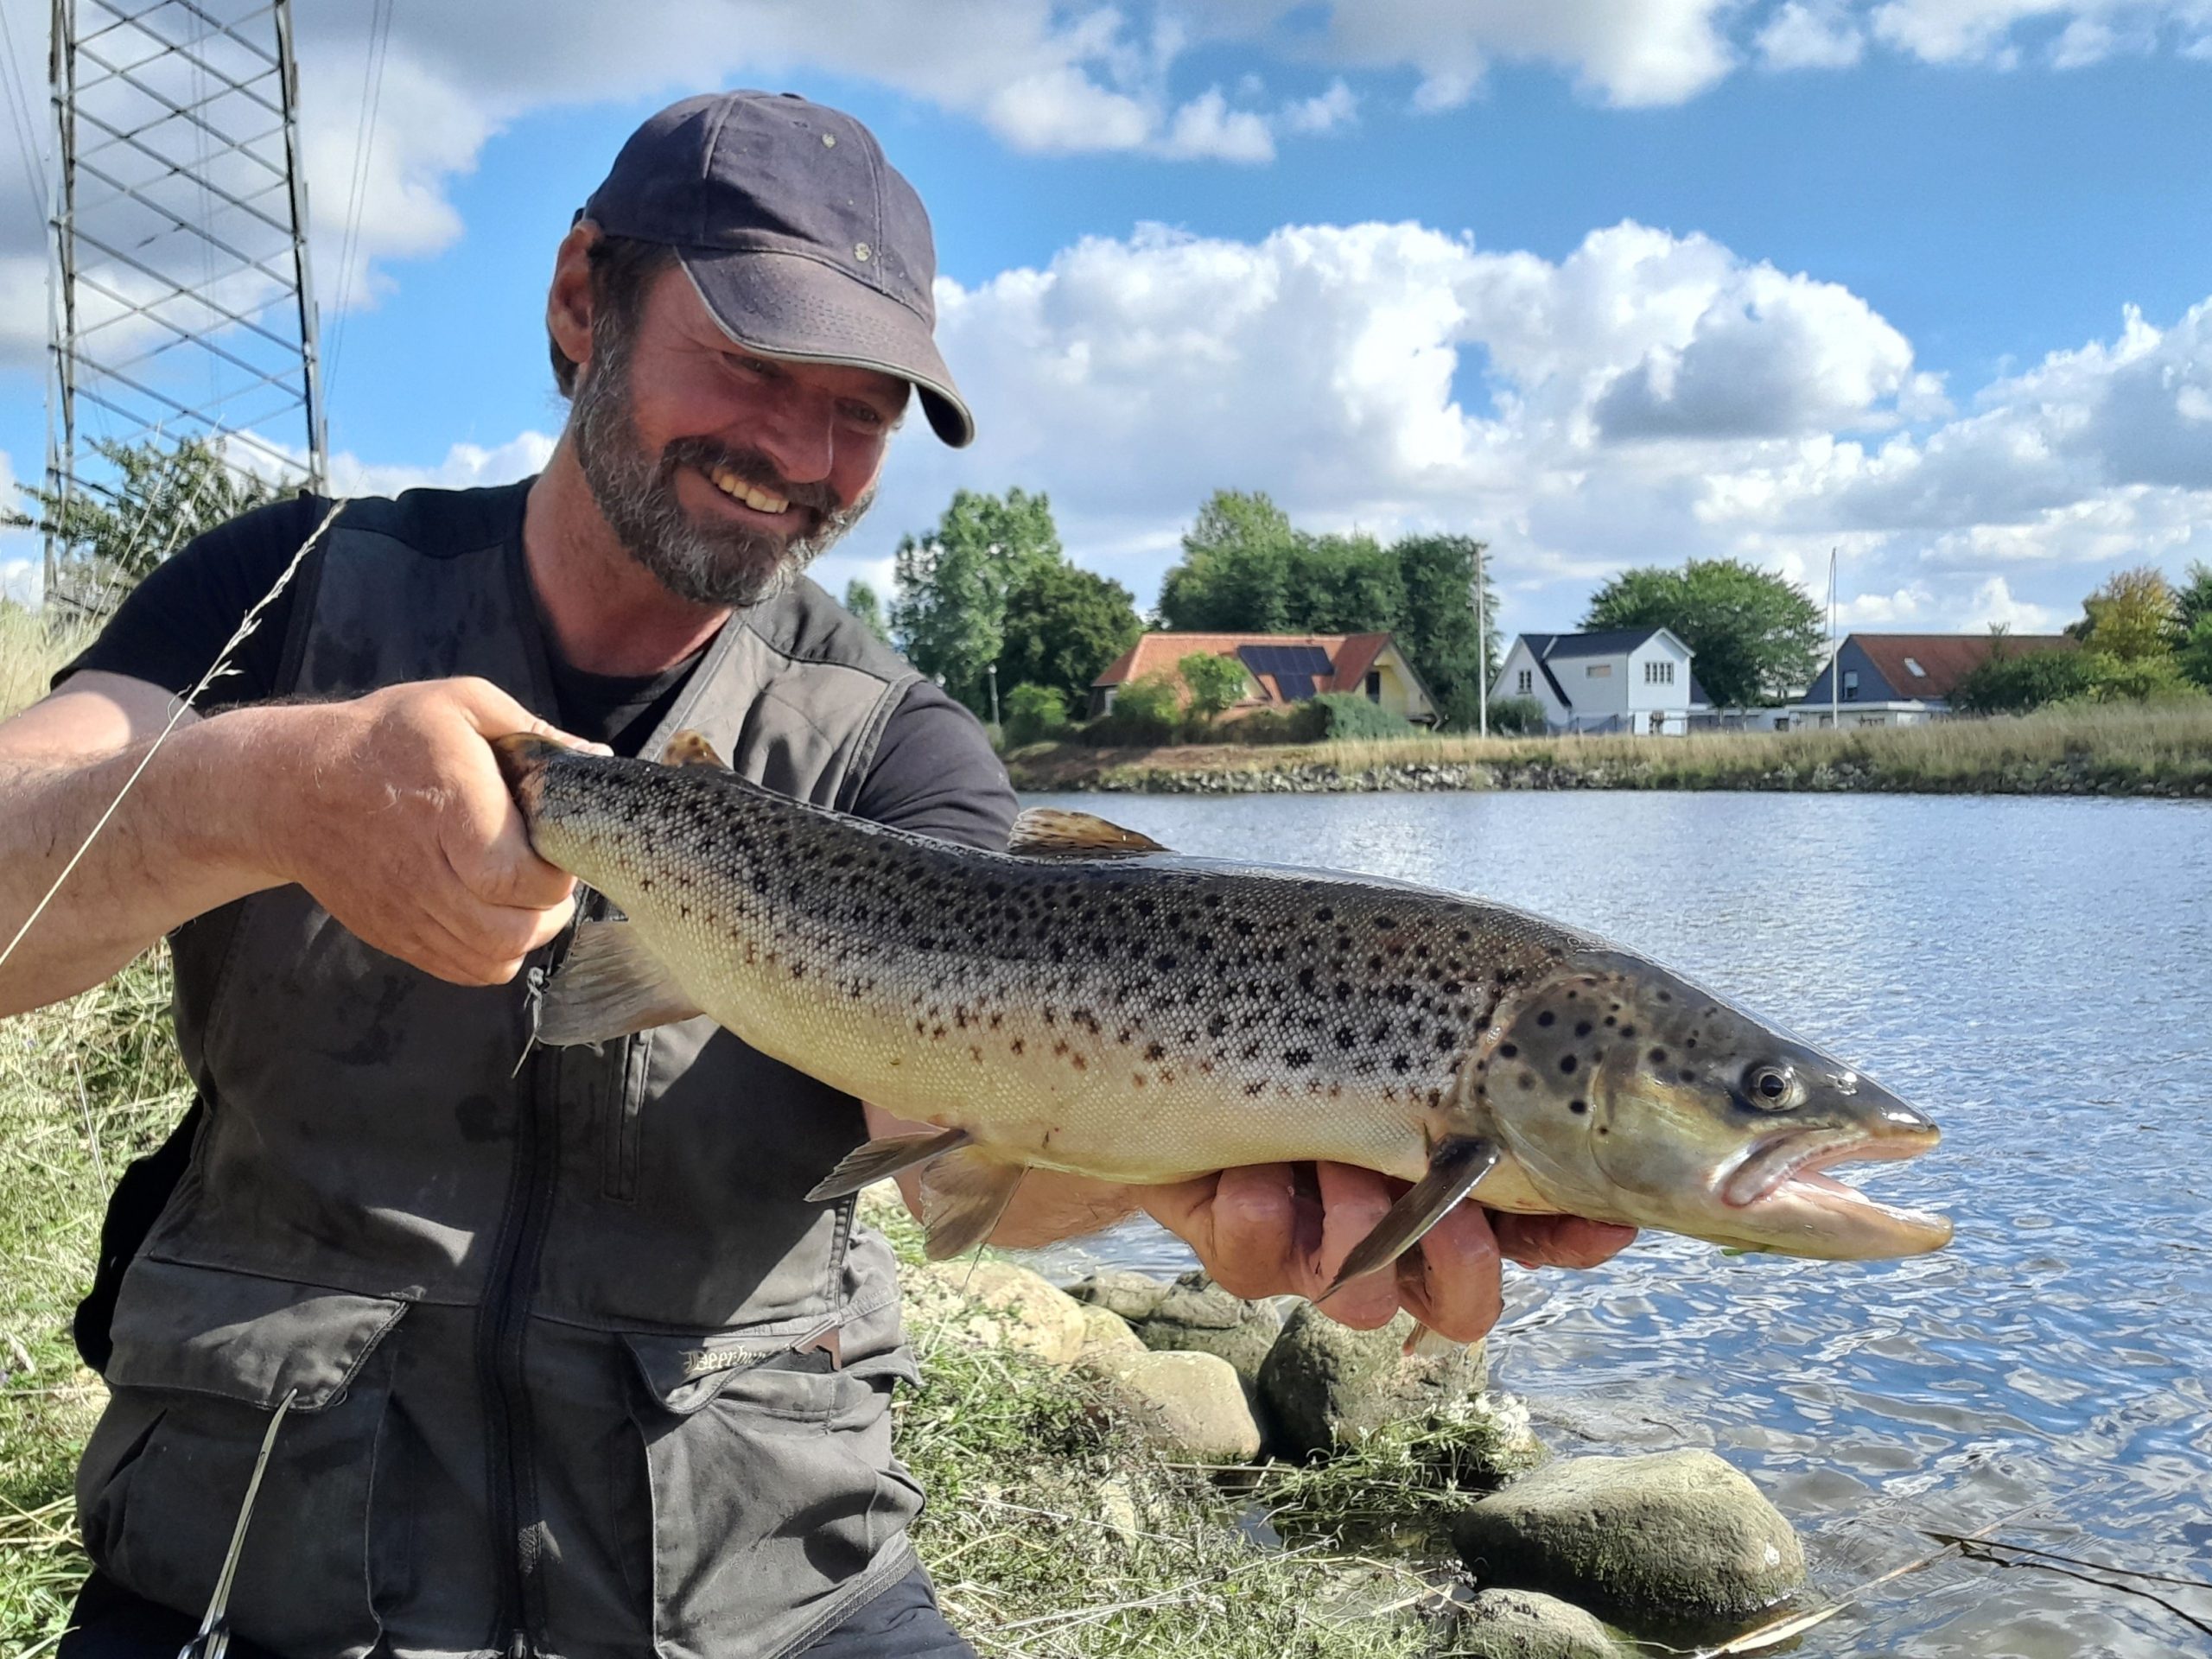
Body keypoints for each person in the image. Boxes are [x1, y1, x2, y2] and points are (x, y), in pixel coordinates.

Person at [0, 92, 1632, 1659]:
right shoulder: (287, 592)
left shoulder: (896, 749)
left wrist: (1180, 1168)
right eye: (752, 358)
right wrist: (266, 793)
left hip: (758, 1598)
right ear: (585, 298)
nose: (801, 450)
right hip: (253, 1578)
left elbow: (940, 1157)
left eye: (862, 406)